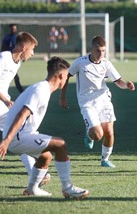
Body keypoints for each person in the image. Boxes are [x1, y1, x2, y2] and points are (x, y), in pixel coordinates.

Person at [0, 56, 90, 198]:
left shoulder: (43, 88)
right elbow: (22, 115)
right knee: (60, 144)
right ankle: (67, 188)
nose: (67, 80)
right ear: (61, 75)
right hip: (17, 137)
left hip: (22, 135)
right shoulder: (41, 90)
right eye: (66, 76)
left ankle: (32, 189)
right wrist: (6, 140)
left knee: (45, 157)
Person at [60, 36, 135, 168]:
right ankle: (89, 131)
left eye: (103, 51)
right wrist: (62, 97)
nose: (101, 54)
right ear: (92, 49)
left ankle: (104, 160)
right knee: (97, 135)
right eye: (98, 50)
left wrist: (127, 85)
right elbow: (66, 77)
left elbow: (118, 81)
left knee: (109, 133)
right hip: (87, 102)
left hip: (104, 100)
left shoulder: (106, 63)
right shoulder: (80, 62)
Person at [0, 32, 50, 186]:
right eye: (32, 49)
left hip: (3, 104)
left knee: (17, 134)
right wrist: (6, 100)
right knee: (18, 133)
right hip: (2, 104)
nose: (33, 53)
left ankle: (36, 172)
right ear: (23, 47)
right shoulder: (4, 58)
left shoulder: (17, 62)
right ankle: (36, 173)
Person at [1, 23, 23, 93]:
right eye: (12, 28)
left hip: (13, 60)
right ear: (10, 29)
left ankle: (21, 91)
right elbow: (3, 47)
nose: (13, 30)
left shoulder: (17, 38)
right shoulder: (6, 37)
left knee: (15, 76)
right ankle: (22, 91)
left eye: (15, 28)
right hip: (7, 59)